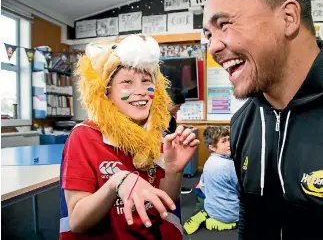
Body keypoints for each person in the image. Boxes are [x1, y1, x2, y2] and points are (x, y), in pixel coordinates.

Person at [204, 0, 323, 240]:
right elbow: (250, 217)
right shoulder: (242, 124)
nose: (213, 46)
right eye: (208, 34)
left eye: (224, 24)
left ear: (288, 18)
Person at [59, 34, 199, 239]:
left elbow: (165, 203)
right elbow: (78, 222)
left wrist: (174, 171)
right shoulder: (84, 137)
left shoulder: (158, 136)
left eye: (146, 81)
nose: (140, 91)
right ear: (107, 92)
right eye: (127, 82)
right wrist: (115, 183)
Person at [183, 126, 239, 234]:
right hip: (230, 214)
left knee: (200, 189)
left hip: (211, 208)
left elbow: (203, 185)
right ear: (212, 147)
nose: (228, 143)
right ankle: (227, 223)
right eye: (223, 141)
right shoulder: (229, 165)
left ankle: (205, 213)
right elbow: (240, 189)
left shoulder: (209, 161)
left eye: (228, 139)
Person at [166, 88, 192, 195]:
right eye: (177, 106)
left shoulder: (171, 119)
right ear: (168, 103)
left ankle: (176, 187)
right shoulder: (151, 117)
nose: (179, 109)